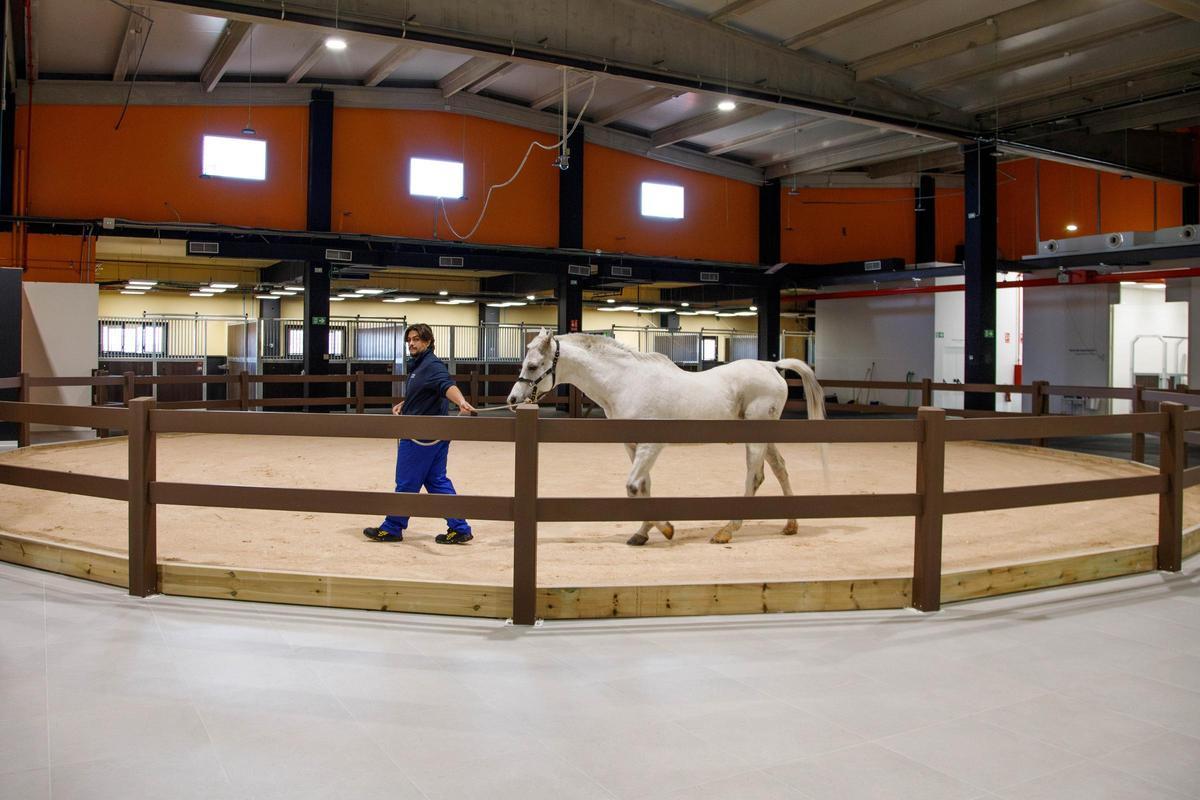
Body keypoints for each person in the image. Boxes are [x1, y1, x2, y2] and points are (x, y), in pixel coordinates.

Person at [363, 323, 476, 544]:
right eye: (409, 340)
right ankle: (459, 528)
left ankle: (392, 528)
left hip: (421, 437)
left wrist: (461, 401)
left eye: (416, 339)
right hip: (435, 435)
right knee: (437, 481)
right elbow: (427, 390)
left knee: (406, 482)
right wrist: (407, 403)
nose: (411, 344)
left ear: (428, 341)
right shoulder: (420, 365)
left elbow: (446, 385)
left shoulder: (432, 365)